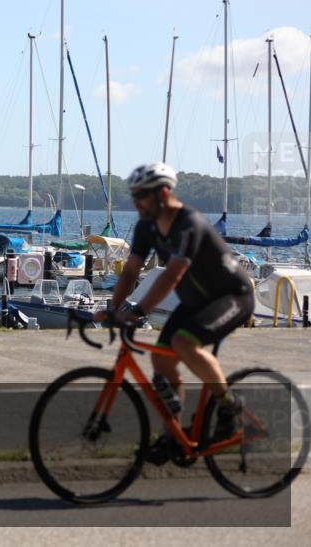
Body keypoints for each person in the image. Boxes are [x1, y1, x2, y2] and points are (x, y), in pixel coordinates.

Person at [97, 163, 252, 462]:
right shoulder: (147, 227)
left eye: (140, 195)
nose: (135, 202)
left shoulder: (188, 224)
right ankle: (176, 435)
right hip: (197, 303)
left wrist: (139, 310)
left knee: (183, 344)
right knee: (161, 361)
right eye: (133, 195)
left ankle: (229, 406)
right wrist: (112, 309)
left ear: (163, 194)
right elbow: (130, 272)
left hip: (233, 296)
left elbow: (172, 277)